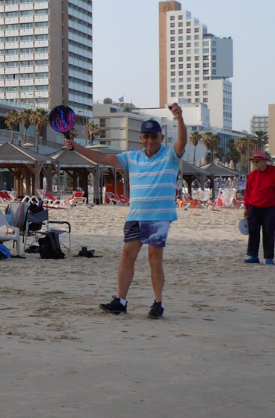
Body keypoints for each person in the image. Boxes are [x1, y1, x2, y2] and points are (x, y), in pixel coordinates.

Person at [63, 104, 187, 319]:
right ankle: (120, 301)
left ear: (161, 137)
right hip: (135, 215)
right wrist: (76, 147)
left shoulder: (170, 156)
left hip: (159, 217)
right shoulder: (132, 157)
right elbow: (102, 158)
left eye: (154, 136)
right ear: (141, 138)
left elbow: (182, 141)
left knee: (154, 259)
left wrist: (180, 118)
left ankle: (158, 303)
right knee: (127, 256)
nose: (150, 140)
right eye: (146, 136)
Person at [243, 151, 275, 265]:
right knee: (253, 232)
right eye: (253, 162)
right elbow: (248, 192)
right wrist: (246, 207)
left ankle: (269, 258)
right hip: (253, 207)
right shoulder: (252, 175)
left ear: (263, 162)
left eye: (256, 162)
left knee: (268, 233)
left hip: (269, 207)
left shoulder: (274, 173)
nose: (255, 164)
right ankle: (253, 256)